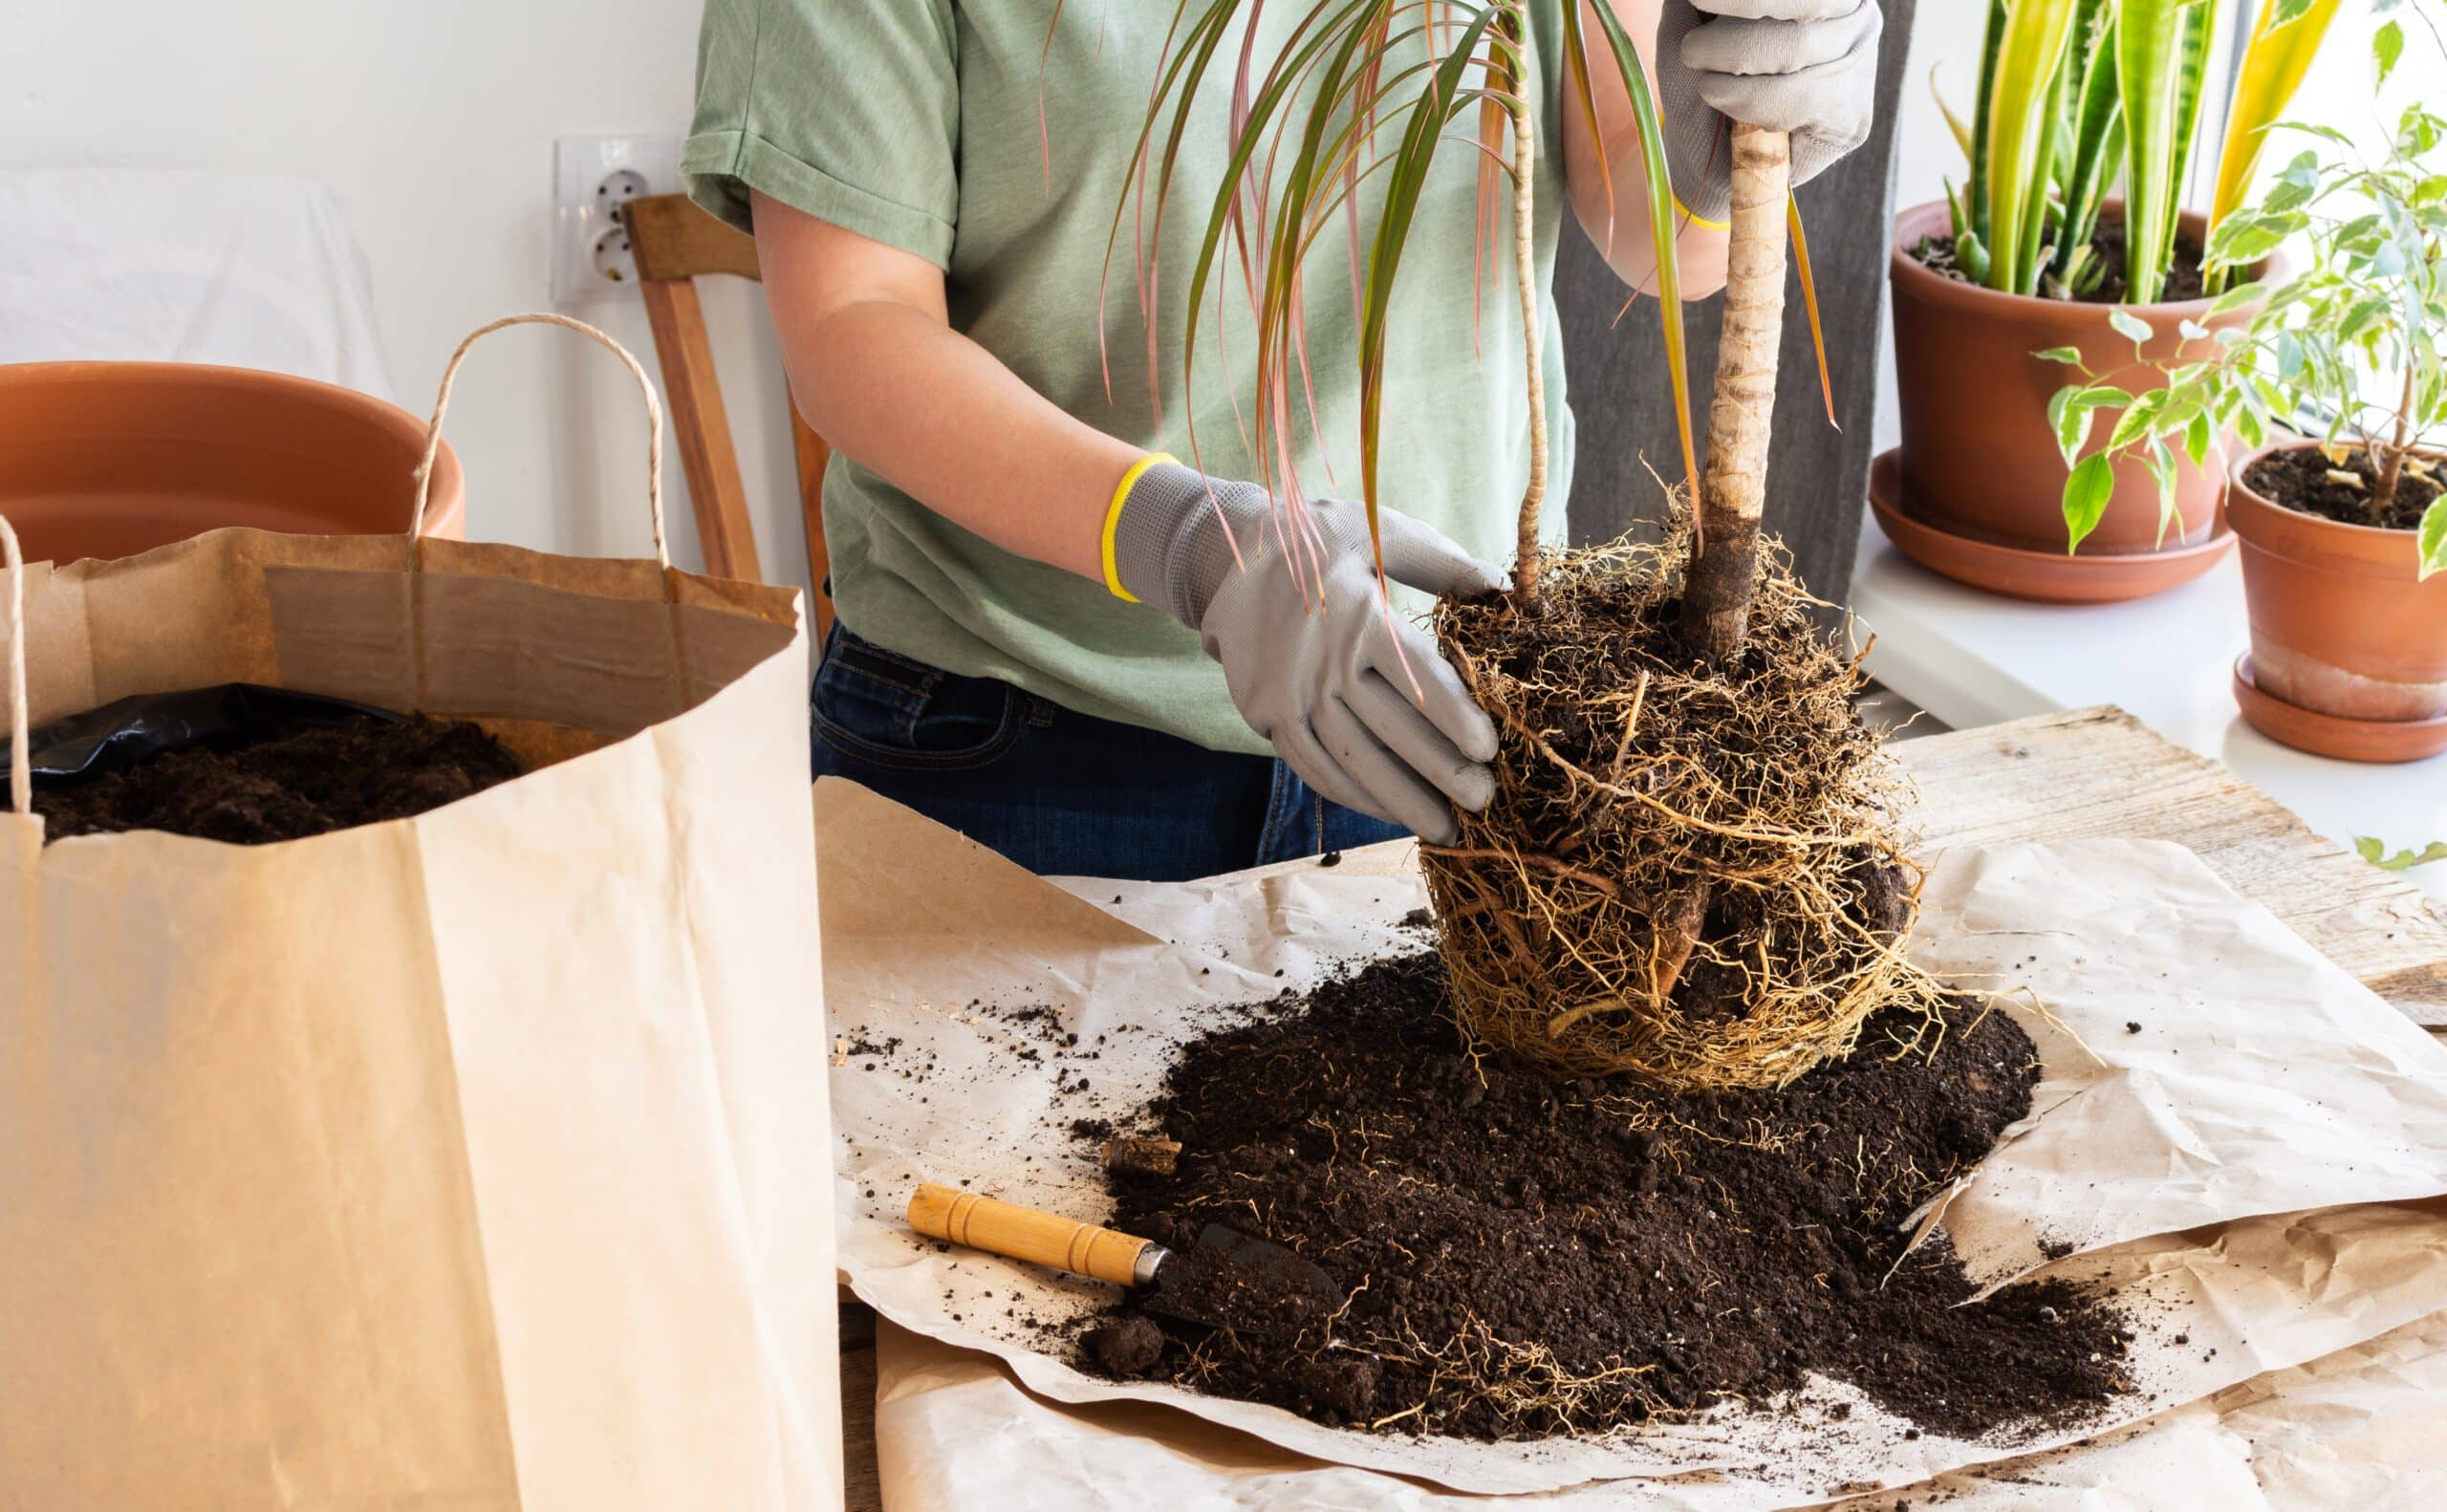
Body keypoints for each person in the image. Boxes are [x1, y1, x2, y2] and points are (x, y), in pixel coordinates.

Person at [684, 1, 1881, 880]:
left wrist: (1741, 134)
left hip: (1456, 717)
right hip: (1018, 745)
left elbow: (1645, 224)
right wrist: (1186, 539)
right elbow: (853, 326)